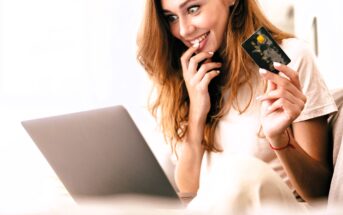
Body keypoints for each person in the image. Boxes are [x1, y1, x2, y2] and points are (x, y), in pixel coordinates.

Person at [136, 0, 338, 212]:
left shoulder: (288, 58)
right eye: (172, 17)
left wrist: (280, 139)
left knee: (240, 171)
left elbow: (319, 193)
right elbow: (189, 191)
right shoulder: (189, 74)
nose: (184, 30)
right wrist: (197, 112)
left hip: (275, 208)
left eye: (193, 9)